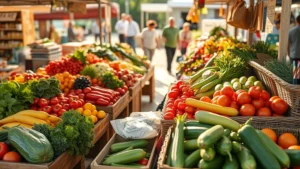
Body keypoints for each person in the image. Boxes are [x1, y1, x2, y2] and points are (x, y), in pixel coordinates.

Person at [288, 15, 300, 84]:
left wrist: (289, 53)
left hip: (294, 55)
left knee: (296, 75)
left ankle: (295, 89)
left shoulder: (291, 30)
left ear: (296, 21)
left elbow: (288, 44)